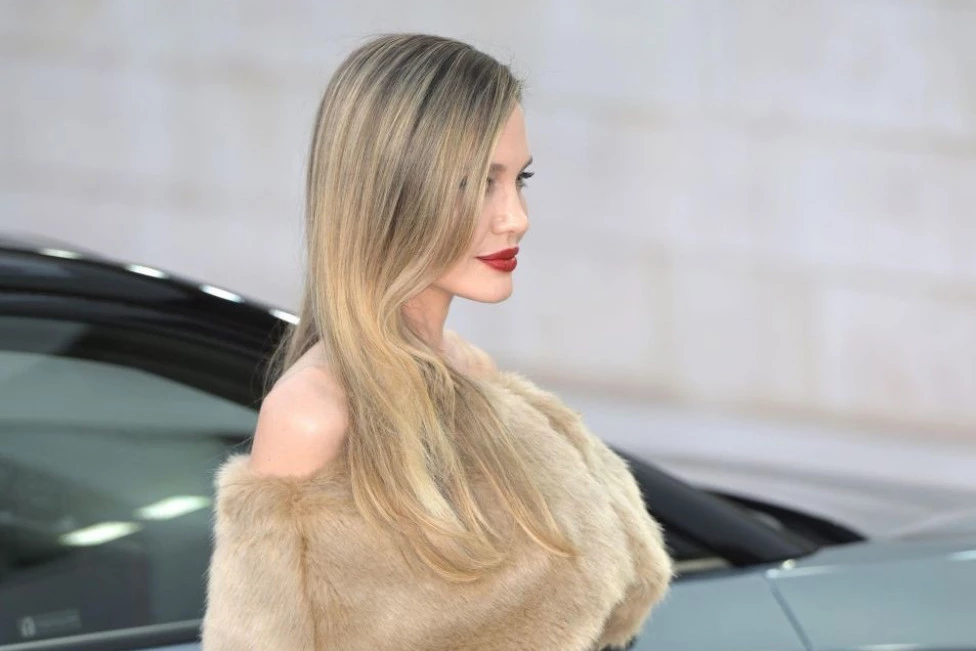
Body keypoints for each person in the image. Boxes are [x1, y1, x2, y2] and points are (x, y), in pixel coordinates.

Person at [200, 33, 673, 651]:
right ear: (388, 193)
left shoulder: (469, 370)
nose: (517, 217)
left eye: (520, 179)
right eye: (478, 183)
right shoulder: (311, 416)